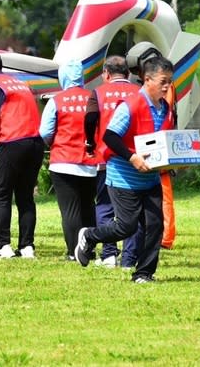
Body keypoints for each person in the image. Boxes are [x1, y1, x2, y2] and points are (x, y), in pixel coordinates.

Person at [74, 56, 175, 283]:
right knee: (127, 227)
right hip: (123, 178)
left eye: (170, 81)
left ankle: (144, 273)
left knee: (155, 226)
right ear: (147, 80)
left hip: (149, 179)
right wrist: (132, 157)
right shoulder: (130, 106)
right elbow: (110, 136)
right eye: (163, 81)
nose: (167, 86)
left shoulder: (165, 108)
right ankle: (89, 236)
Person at [0, 49, 44, 259]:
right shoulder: (19, 83)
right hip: (35, 142)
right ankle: (27, 247)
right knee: (25, 197)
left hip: (12, 142)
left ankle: (2, 246)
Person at [83, 55, 140, 267]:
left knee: (105, 205)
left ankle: (108, 254)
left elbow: (90, 119)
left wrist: (90, 143)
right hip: (136, 158)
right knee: (134, 209)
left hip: (107, 158)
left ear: (106, 74)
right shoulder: (139, 92)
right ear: (128, 73)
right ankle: (130, 258)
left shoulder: (98, 93)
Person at [39, 59, 97, 261]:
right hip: (91, 163)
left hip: (63, 162)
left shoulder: (57, 100)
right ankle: (89, 248)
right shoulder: (93, 97)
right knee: (89, 206)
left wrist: (53, 143)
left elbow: (45, 132)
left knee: (70, 210)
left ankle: (74, 251)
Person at [125, 42, 178, 255]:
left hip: (154, 151)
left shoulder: (158, 88)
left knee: (159, 200)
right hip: (151, 151)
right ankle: (162, 238)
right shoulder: (163, 86)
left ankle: (163, 238)